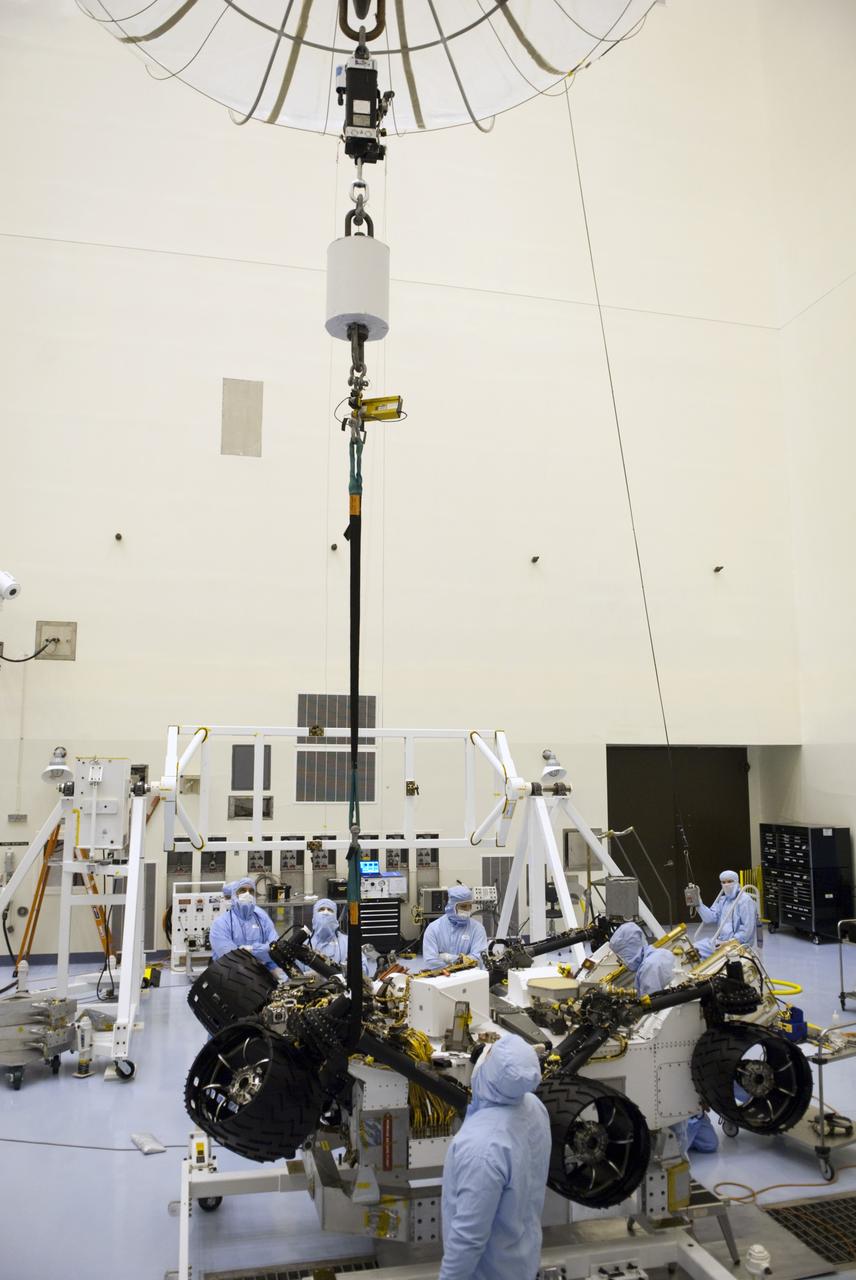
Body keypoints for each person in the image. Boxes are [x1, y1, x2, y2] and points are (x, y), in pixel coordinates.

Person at [439, 1035, 551, 1280]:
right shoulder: (533, 1107)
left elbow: (468, 1240)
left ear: (492, 1073)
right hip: (522, 1263)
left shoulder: (481, 1147)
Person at [610, 922, 718, 1154]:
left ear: (630, 948)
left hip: (669, 1039)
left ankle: (679, 1144)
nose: (621, 961)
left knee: (671, 1101)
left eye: (621, 955)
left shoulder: (650, 968)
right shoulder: (661, 955)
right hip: (687, 1029)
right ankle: (696, 1117)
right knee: (709, 1144)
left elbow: (650, 1011)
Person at [209, 877, 284, 978]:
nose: (247, 894)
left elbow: (276, 948)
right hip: (229, 976)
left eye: (251, 891)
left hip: (262, 975)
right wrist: (262, 953)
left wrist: (252, 950)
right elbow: (230, 957)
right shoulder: (221, 924)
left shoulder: (262, 918)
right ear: (234, 895)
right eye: (243, 890)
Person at [302, 898, 373, 977]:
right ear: (314, 917)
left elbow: (363, 972)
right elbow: (289, 976)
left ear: (335, 918)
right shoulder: (304, 943)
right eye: (321, 909)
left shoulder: (347, 942)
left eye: (330, 910)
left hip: (341, 988)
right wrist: (305, 976)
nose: (325, 913)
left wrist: (343, 974)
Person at [422, 886, 488, 970]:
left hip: (469, 979)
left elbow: (478, 960)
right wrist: (465, 961)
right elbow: (431, 962)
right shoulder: (433, 929)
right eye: (463, 906)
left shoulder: (477, 929)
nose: (468, 910)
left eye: (470, 906)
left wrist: (449, 958)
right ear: (451, 906)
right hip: (441, 980)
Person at [696, 870, 757, 958]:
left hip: (738, 945)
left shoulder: (745, 901)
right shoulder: (723, 900)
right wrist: (698, 902)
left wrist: (728, 943)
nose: (726, 885)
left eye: (729, 881)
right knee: (694, 949)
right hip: (720, 941)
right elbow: (709, 918)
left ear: (736, 882)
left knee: (702, 956)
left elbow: (747, 931)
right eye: (723, 882)